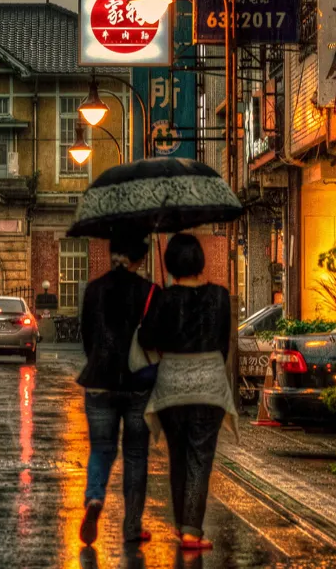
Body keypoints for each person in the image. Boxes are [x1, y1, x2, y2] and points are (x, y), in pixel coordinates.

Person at [138, 232, 236, 552]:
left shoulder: (164, 298)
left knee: (178, 456)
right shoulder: (220, 297)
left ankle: (184, 526)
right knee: (200, 457)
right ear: (200, 262)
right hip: (209, 385)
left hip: (172, 388)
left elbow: (146, 340)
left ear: (169, 264)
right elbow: (224, 345)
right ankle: (192, 529)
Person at [76, 231, 157, 546]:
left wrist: (100, 362)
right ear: (140, 259)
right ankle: (133, 525)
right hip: (138, 383)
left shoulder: (95, 289)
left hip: (99, 381)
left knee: (101, 448)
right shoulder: (149, 291)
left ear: (112, 255)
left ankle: (95, 498)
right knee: (136, 454)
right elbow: (153, 339)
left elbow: (87, 337)